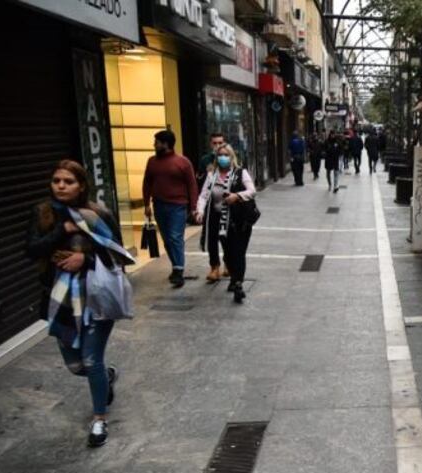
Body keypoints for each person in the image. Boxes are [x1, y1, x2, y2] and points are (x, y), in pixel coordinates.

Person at [26, 160, 133, 448]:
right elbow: (32, 249)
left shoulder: (98, 214)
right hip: (59, 299)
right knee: (76, 366)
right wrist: (62, 231)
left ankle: (99, 418)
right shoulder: (43, 213)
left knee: (90, 359)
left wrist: (84, 259)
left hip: (96, 297)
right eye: (56, 180)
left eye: (68, 181)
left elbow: (119, 254)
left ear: (82, 185)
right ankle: (106, 376)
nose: (61, 186)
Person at [196, 143, 257, 303]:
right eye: (220, 155)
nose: (223, 158)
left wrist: (236, 196)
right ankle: (233, 277)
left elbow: (252, 191)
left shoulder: (240, 173)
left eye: (226, 155)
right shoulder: (212, 176)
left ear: (232, 157)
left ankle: (238, 283)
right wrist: (200, 211)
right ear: (216, 158)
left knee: (238, 252)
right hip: (220, 221)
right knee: (228, 253)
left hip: (238, 220)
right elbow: (203, 195)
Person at [143, 130, 199, 287]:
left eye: (157, 142)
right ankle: (176, 266)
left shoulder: (183, 162)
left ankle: (178, 270)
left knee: (175, 237)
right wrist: (146, 204)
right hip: (159, 205)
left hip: (178, 206)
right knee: (167, 239)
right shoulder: (152, 162)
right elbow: (147, 183)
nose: (154, 145)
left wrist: (193, 207)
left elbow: (192, 185)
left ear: (165, 144)